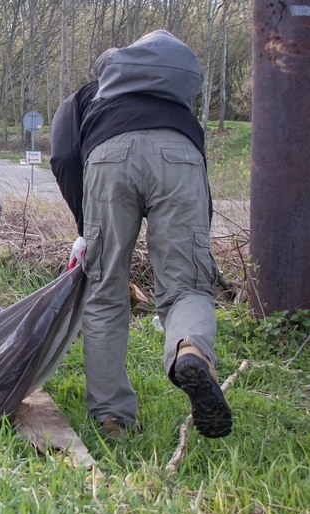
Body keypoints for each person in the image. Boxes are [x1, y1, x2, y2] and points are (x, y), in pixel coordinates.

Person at [55, 36, 232, 439]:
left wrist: (86, 224)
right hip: (180, 156)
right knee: (187, 287)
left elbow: (63, 156)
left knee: (104, 291)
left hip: (108, 158)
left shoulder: (87, 95)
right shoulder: (178, 104)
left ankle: (112, 417)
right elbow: (199, 172)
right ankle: (190, 350)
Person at [50, 48, 117, 232]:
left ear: (97, 74)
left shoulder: (80, 99)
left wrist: (84, 224)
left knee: (107, 245)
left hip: (107, 175)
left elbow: (64, 158)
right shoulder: (160, 96)